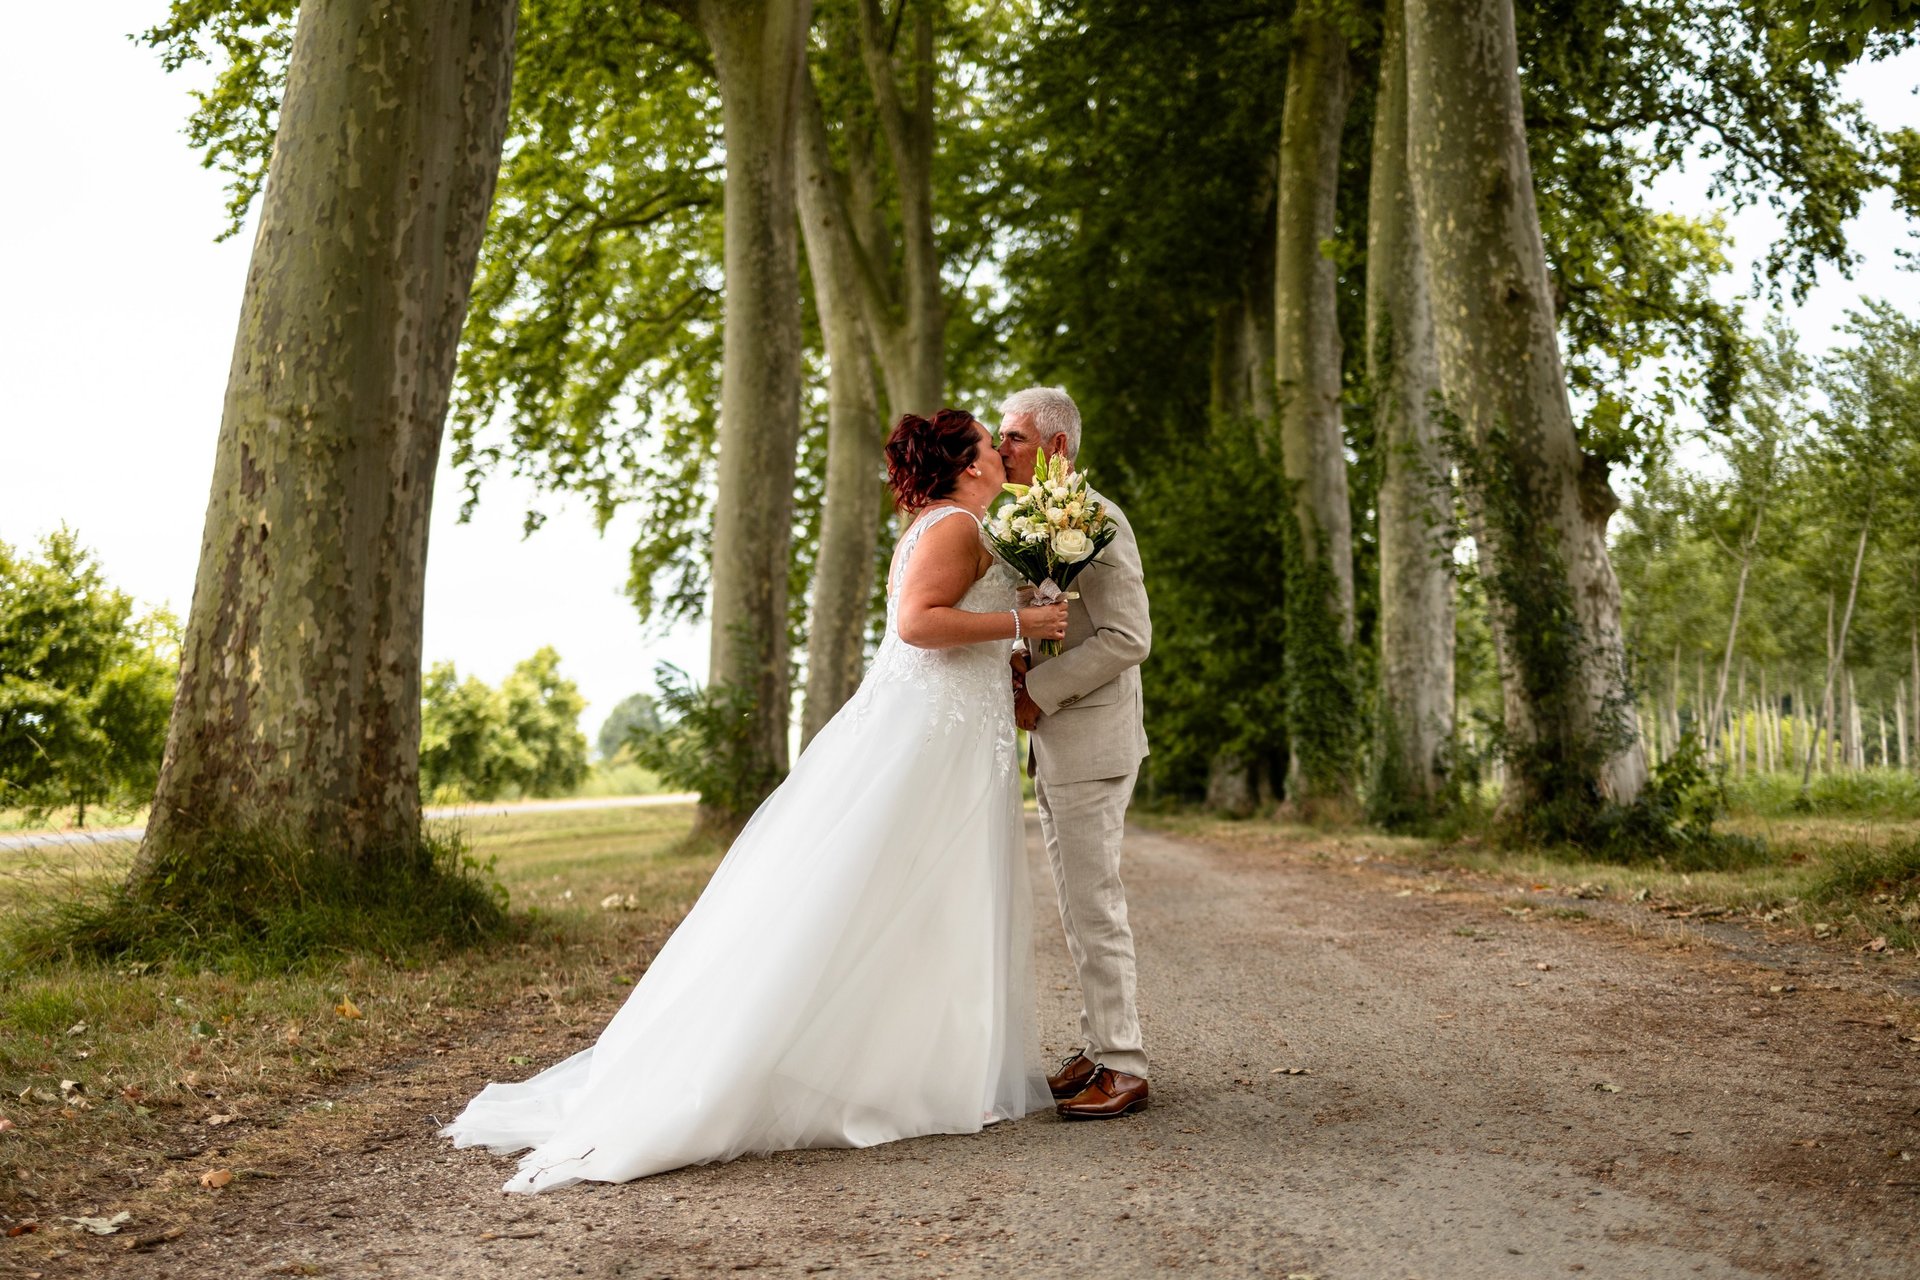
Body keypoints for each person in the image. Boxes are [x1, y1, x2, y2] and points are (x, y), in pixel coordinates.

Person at [441, 409, 1067, 1192]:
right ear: (969, 464)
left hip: (952, 726)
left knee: (925, 894)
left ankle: (924, 1061)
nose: (999, 451)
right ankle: (855, 1068)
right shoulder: (956, 526)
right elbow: (917, 624)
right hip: (930, 734)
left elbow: (949, 625)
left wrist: (1015, 654)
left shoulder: (947, 525)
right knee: (890, 888)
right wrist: (1023, 620)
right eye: (987, 441)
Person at [996, 386, 1154, 1120]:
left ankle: (1124, 1064)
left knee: (1096, 908)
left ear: (1056, 446)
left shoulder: (1099, 520)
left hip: (1092, 742)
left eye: (1014, 437)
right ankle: (1098, 1047)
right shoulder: (1037, 520)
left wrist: (1040, 691)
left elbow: (1128, 637)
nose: (1000, 448)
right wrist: (1020, 659)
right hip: (1058, 745)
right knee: (1075, 907)